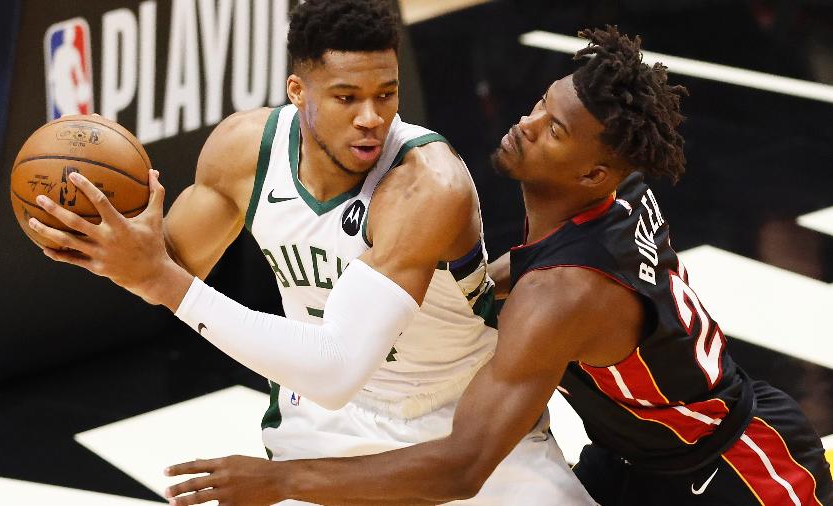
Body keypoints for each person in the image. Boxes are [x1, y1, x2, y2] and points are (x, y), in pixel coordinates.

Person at [163, 26, 833, 506]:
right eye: (542, 105)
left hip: (734, 471)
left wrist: (282, 481)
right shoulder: (616, 192)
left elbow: (461, 468)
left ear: (593, 171)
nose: (526, 122)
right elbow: (527, 274)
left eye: (553, 130)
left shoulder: (561, 297)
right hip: (635, 455)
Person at [29, 0, 593, 504]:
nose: (371, 117)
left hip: (461, 417)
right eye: (347, 97)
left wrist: (160, 280)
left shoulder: (428, 185)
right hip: (330, 423)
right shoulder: (243, 151)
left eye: (386, 94)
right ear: (298, 92)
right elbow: (167, 268)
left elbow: (336, 365)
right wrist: (97, 239)